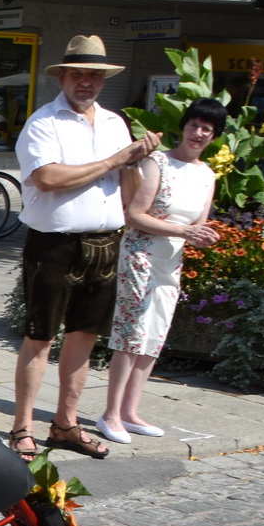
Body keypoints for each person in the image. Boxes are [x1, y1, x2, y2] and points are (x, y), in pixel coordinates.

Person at [7, 35, 162, 462]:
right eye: (78, 74)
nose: (86, 82)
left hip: (105, 243)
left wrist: (135, 163)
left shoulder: (114, 123)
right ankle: (22, 427)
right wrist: (115, 161)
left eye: (94, 75)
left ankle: (65, 423)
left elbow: (127, 190)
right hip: (54, 244)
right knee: (40, 337)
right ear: (63, 77)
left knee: (85, 337)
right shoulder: (44, 122)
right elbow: (47, 179)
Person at [95, 99, 224, 445]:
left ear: (214, 137)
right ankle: (110, 414)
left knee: (155, 335)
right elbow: (134, 215)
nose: (198, 134)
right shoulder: (159, 163)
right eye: (194, 125)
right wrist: (183, 232)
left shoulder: (207, 175)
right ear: (183, 127)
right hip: (141, 255)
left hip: (171, 261)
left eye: (207, 130)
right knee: (132, 331)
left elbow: (198, 224)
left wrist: (203, 236)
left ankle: (130, 411)